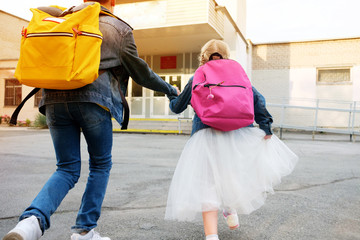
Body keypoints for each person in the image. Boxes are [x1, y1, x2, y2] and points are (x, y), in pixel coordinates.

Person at [2, 1, 179, 240]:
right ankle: (84, 231)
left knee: (66, 168)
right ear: (113, 2)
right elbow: (141, 72)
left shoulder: (62, 20)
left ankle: (30, 223)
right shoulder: (118, 28)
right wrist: (170, 89)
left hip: (53, 100)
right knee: (100, 165)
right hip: (94, 101)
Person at [164, 39, 298, 240]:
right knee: (230, 175)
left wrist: (171, 93)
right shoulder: (237, 74)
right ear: (227, 56)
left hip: (205, 136)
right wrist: (265, 125)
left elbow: (176, 107)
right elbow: (256, 99)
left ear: (203, 57)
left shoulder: (197, 77)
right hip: (236, 135)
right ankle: (230, 209)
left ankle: (211, 237)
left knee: (207, 183)